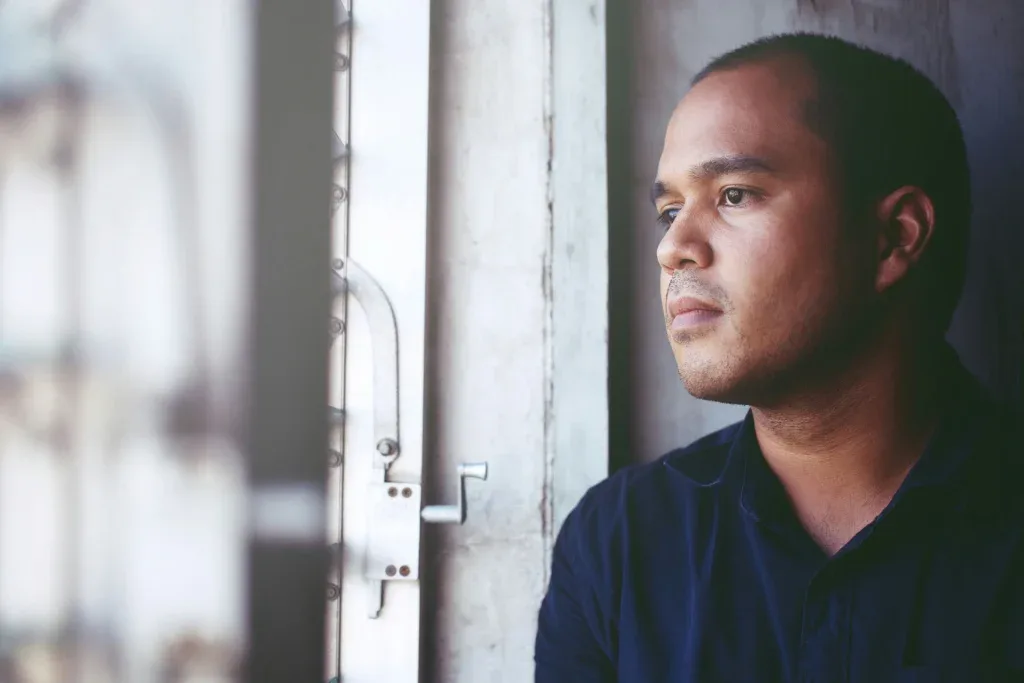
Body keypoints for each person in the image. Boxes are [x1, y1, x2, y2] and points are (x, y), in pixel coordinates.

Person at [535, 32, 1024, 682]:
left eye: (735, 194)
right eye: (670, 210)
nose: (672, 247)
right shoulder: (619, 541)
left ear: (892, 237)